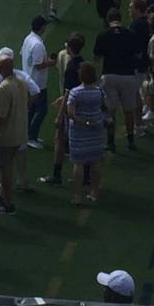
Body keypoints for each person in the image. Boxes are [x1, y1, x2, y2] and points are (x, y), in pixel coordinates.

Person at [0, 46, 39, 213]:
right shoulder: (20, 82)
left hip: (6, 135)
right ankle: (4, 196)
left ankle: (6, 202)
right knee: (9, 166)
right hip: (18, 131)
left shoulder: (3, 88)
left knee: (4, 168)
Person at [65, 60, 114, 211]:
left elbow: (71, 112)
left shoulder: (75, 92)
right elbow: (108, 108)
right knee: (95, 162)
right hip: (97, 130)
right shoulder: (99, 91)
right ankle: (94, 192)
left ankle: (77, 196)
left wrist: (83, 122)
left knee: (78, 164)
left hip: (79, 132)